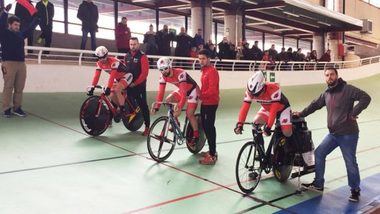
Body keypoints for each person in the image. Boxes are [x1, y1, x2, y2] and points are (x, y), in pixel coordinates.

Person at [294, 68, 371, 202]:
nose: (330, 77)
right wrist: (301, 114)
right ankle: (318, 184)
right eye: (327, 75)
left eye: (332, 74)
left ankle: (355, 190)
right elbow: (315, 105)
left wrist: (354, 112)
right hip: (333, 134)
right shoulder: (327, 93)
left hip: (348, 134)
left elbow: (366, 97)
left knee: (350, 161)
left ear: (337, 75)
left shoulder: (347, 89)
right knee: (319, 153)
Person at [151, 57, 200, 146]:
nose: (164, 71)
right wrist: (157, 107)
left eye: (165, 68)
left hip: (193, 91)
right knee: (168, 100)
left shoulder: (180, 73)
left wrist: (180, 107)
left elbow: (184, 93)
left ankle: (196, 135)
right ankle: (176, 122)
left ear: (170, 66)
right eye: (161, 70)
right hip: (182, 90)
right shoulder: (163, 77)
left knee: (189, 114)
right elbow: (161, 93)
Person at [1, 4, 39, 117]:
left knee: (19, 87)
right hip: (8, 63)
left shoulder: (21, 34)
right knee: (8, 87)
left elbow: (30, 28)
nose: (17, 27)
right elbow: (0, 25)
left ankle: (17, 108)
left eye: (18, 25)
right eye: (15, 25)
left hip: (21, 64)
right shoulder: (4, 33)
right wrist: (4, 12)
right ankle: (6, 109)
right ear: (10, 25)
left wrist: (37, 18)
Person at [234, 71, 293, 141]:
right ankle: (260, 150)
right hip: (267, 108)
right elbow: (245, 108)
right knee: (255, 125)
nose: (255, 96)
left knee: (287, 133)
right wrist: (240, 124)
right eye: (253, 94)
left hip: (282, 109)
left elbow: (273, 110)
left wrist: (268, 127)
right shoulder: (250, 92)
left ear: (263, 87)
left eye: (257, 94)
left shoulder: (273, 89)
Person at [88, 46, 132, 122]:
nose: (102, 59)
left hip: (127, 75)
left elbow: (112, 76)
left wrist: (108, 87)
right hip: (117, 78)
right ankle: (118, 107)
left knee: (117, 90)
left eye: (103, 57)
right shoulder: (99, 63)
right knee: (110, 95)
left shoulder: (114, 61)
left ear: (107, 55)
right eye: (100, 57)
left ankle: (122, 109)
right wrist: (92, 87)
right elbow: (96, 76)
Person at [125, 37, 150, 136]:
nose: (132, 46)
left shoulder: (143, 56)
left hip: (139, 86)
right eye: (131, 44)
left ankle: (147, 127)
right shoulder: (126, 56)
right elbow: (125, 71)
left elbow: (144, 73)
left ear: (138, 45)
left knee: (143, 106)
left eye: (134, 44)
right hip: (128, 85)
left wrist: (135, 83)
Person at [198, 49, 220, 165]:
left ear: (208, 59)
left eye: (203, 59)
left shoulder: (212, 71)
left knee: (209, 127)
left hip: (211, 103)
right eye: (199, 58)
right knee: (207, 127)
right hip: (205, 102)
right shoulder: (204, 70)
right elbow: (204, 87)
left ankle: (212, 155)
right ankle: (212, 151)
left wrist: (200, 95)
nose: (201, 61)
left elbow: (212, 90)